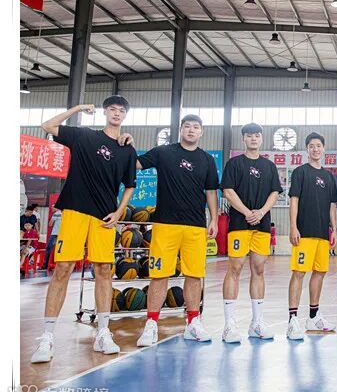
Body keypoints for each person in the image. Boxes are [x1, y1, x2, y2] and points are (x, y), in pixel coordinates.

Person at [31, 98, 137, 363]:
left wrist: (120, 211)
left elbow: (130, 185)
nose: (117, 113)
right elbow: (47, 125)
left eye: (121, 111)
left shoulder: (127, 149)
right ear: (105, 112)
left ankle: (103, 332)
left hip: (104, 216)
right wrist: (78, 109)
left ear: (125, 116)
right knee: (63, 269)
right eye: (112, 109)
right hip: (75, 210)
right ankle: (47, 337)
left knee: (103, 271)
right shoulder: (83, 136)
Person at [134, 114, 219, 346]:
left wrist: (214, 219)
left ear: (201, 132)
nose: (191, 130)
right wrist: (123, 143)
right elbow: (136, 163)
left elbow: (211, 191)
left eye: (196, 127)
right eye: (187, 126)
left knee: (194, 275)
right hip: (165, 224)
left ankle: (193, 323)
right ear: (181, 130)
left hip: (195, 226)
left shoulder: (207, 159)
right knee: (159, 275)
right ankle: (151, 324)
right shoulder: (163, 152)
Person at [220, 123, 283, 343]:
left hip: (261, 226)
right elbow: (228, 191)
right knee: (235, 268)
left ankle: (256, 323)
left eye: (257, 135)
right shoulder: (234, 164)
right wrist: (247, 212)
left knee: (259, 269)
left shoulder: (269, 166)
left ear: (261, 138)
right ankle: (229, 325)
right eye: (249, 135)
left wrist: (261, 212)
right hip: (240, 224)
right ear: (243, 139)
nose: (253, 139)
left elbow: (275, 192)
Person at [287, 132, 337, 340]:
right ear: (307, 149)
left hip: (322, 234)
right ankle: (293, 319)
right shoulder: (300, 172)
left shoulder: (328, 177)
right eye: (311, 146)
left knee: (320, 272)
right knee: (299, 273)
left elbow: (332, 205)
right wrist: (293, 227)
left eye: (318, 145)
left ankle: (313, 316)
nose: (315, 149)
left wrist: (334, 229)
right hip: (304, 232)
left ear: (323, 148)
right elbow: (294, 200)